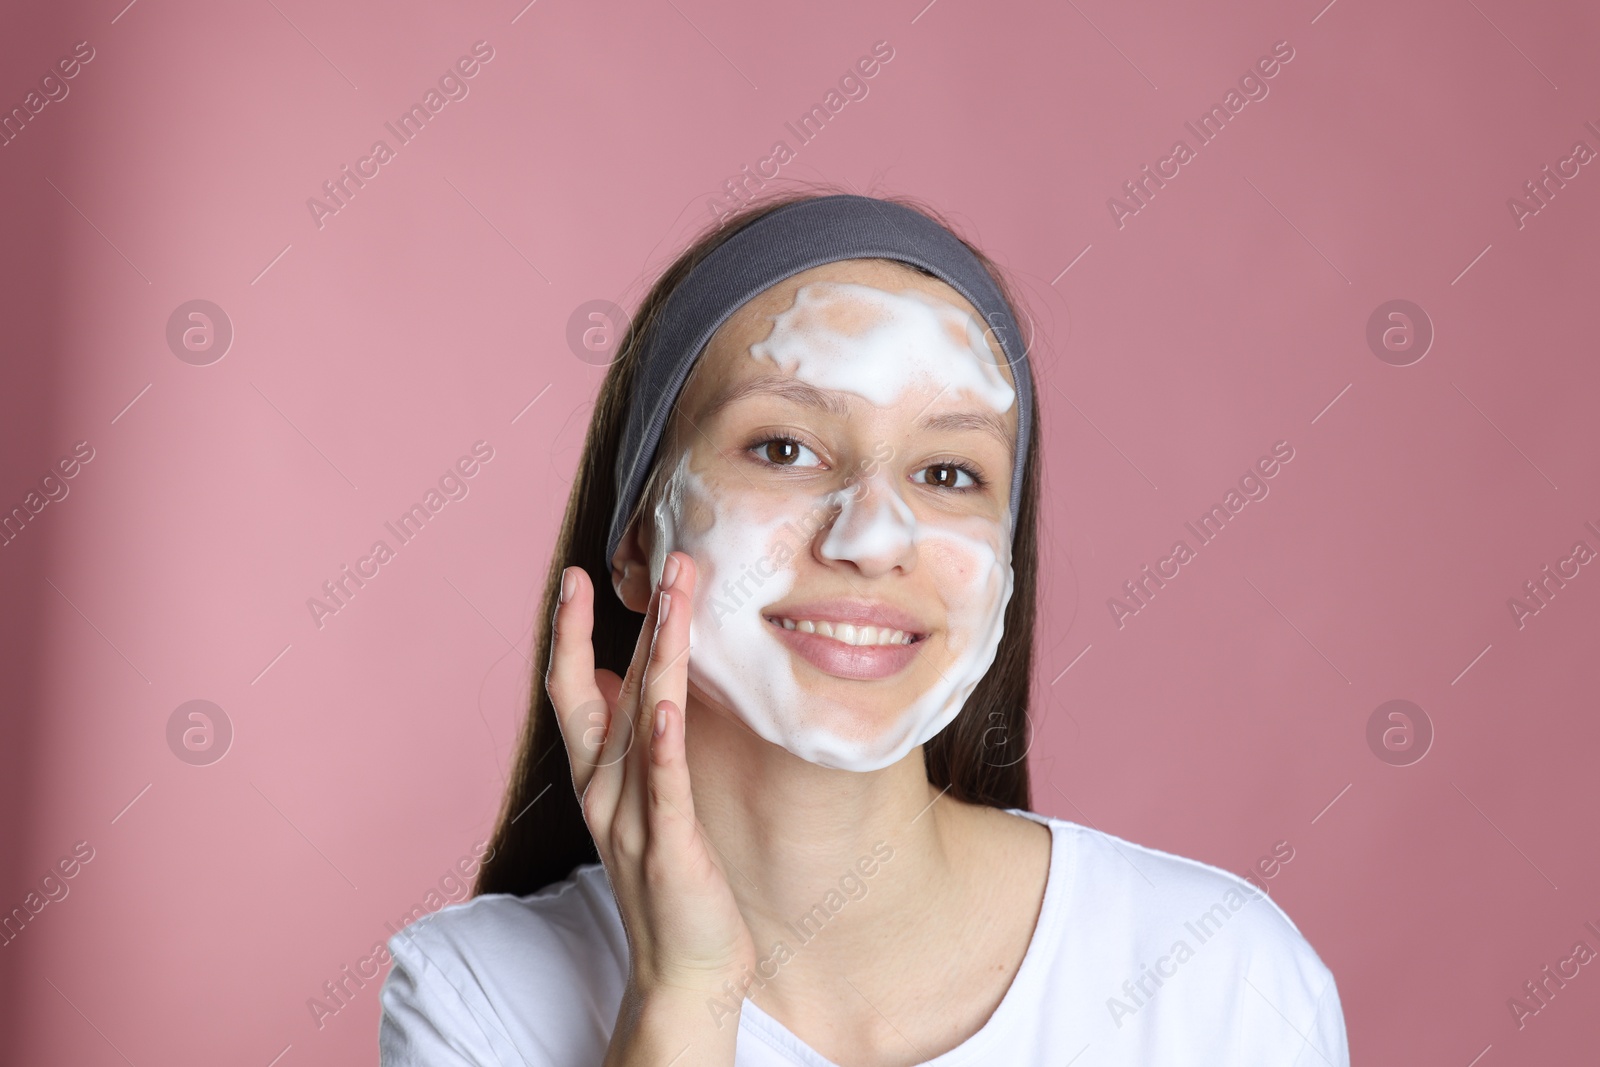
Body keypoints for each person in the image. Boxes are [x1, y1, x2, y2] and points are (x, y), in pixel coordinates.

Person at [377, 192, 1349, 1066]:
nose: (875, 535)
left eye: (947, 472)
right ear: (634, 538)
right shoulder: (477, 996)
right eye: (786, 446)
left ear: (1005, 571)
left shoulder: (1217, 979)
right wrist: (686, 993)